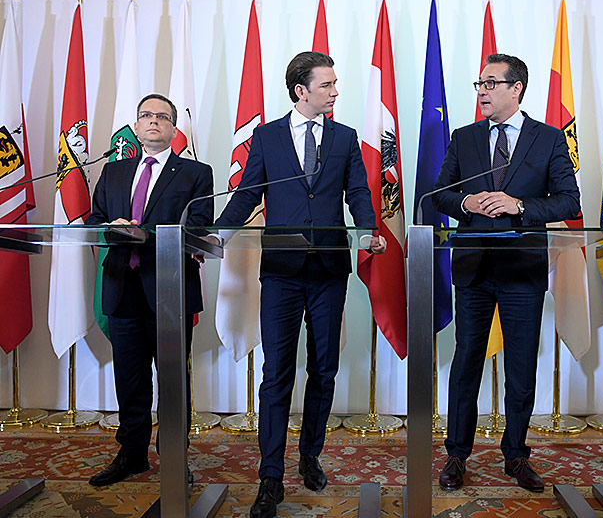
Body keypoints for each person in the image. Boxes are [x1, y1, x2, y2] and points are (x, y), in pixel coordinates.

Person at [215, 51, 386, 518]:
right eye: (327, 84)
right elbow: (248, 193)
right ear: (301, 91)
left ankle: (310, 455)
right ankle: (270, 475)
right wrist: (217, 234)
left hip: (329, 270)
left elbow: (358, 192)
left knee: (324, 369)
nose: (335, 91)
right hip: (282, 273)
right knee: (277, 373)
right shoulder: (267, 136)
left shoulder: (346, 138)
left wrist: (369, 230)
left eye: (335, 83)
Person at [432, 53, 580, 492]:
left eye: (491, 83)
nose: (481, 91)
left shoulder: (549, 139)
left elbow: (568, 201)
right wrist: (466, 203)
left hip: (522, 270)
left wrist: (520, 207)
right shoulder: (465, 137)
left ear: (516, 88)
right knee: (465, 364)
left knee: (520, 366)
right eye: (479, 83)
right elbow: (440, 194)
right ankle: (456, 455)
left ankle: (516, 454)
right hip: (475, 268)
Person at [86, 93, 214, 486]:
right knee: (130, 376)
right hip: (122, 287)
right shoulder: (114, 171)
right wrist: (114, 226)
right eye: (147, 115)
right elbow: (95, 219)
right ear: (137, 126)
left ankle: (175, 455)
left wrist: (148, 234)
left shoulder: (195, 172)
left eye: (162, 116)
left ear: (174, 129)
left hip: (170, 290)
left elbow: (199, 227)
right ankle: (132, 453)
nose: (154, 121)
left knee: (174, 379)